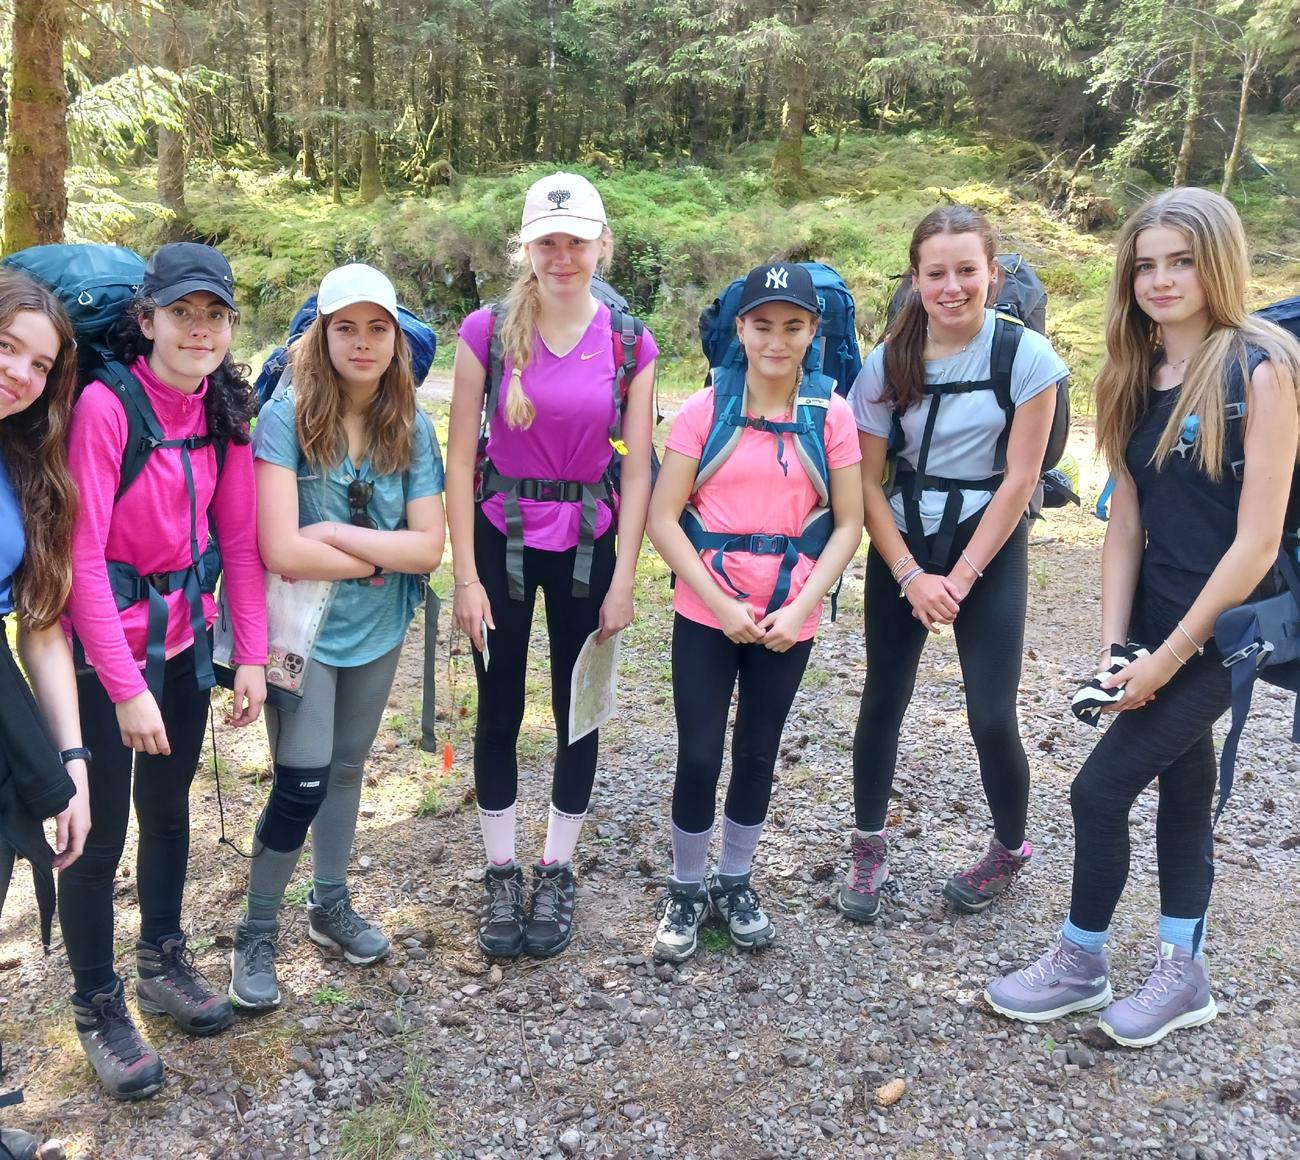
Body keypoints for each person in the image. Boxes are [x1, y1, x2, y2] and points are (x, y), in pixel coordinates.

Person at [986, 188, 1300, 1047]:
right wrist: (1116, 645)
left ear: (1219, 263)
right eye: (1146, 264)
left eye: (1182, 261)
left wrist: (1168, 658)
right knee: (1184, 784)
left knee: (1098, 789)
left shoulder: (1263, 370)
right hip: (1158, 618)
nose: (1161, 280)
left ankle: (1081, 958)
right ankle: (1182, 971)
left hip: (1230, 626)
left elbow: (1256, 542)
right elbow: (1125, 522)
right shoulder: (1131, 369)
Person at [58, 243, 268, 1100]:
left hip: (182, 645)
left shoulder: (223, 410)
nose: (200, 329)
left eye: (215, 315)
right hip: (98, 654)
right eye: (182, 313)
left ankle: (161, 960)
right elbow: (80, 557)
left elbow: (241, 543)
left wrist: (250, 654)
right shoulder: (106, 407)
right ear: (146, 321)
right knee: (100, 834)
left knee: (169, 810)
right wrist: (123, 688)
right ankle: (97, 1003)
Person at [446, 172, 657, 960]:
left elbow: (636, 466)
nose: (562, 256)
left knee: (578, 710)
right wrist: (465, 578)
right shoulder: (486, 331)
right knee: (499, 707)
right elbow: (459, 457)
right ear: (526, 248)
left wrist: (626, 578)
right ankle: (501, 871)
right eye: (547, 242)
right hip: (499, 537)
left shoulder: (631, 343)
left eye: (576, 241)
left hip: (589, 546)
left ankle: (557, 868)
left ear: (602, 245)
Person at [840, 206, 1068, 923]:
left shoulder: (1028, 358)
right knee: (883, 699)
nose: (952, 287)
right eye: (936, 273)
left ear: (992, 274)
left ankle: (1009, 848)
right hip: (904, 538)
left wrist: (960, 578)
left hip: (988, 541)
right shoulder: (888, 362)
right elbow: (865, 482)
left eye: (967, 270)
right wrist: (910, 575)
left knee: (992, 714)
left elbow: (1021, 479)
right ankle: (868, 845)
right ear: (915, 280)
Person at [228, 264, 444, 1010]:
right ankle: (257, 930)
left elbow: (429, 548)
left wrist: (331, 534)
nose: (362, 342)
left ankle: (328, 903)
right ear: (320, 336)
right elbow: (280, 551)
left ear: (396, 340)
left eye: (377, 328)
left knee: (347, 768)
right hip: (302, 629)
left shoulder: (411, 425)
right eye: (345, 327)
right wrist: (376, 556)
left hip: (377, 626)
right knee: (302, 779)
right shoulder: (285, 417)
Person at [647, 262, 864, 962]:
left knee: (758, 750)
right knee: (699, 751)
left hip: (787, 617)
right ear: (739, 329)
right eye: (762, 325)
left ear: (813, 332)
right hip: (706, 611)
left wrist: (801, 606)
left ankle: (735, 879)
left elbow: (849, 523)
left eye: (792, 326)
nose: (776, 340)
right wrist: (718, 602)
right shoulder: (704, 410)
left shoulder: (831, 416)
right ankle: (686, 886)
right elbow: (662, 517)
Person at [0, 270, 90, 950]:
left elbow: (42, 628)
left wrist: (73, 762)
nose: (21, 374)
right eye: (7, 347)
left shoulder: (23, 464)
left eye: (40, 365)